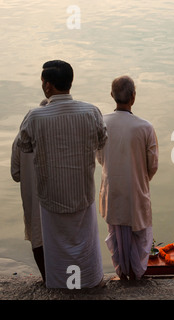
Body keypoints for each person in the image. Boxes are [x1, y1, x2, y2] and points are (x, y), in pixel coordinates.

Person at [17, 60, 107, 288]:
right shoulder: (91, 111)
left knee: (56, 246)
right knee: (84, 242)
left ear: (47, 86)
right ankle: (89, 280)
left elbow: (25, 147)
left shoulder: (35, 116)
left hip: (51, 195)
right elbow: (102, 141)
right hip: (82, 192)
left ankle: (60, 284)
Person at [96, 76, 159, 281]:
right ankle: (137, 273)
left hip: (111, 186)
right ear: (133, 96)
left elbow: (99, 156)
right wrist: (141, 177)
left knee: (117, 235)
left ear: (112, 95)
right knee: (140, 234)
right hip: (136, 188)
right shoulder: (144, 127)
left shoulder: (101, 123)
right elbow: (153, 164)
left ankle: (122, 273)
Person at [10, 99, 49, 283]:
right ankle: (63, 280)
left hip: (32, 200)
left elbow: (15, 174)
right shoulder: (54, 135)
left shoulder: (20, 138)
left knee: (37, 237)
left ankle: (46, 278)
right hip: (55, 199)